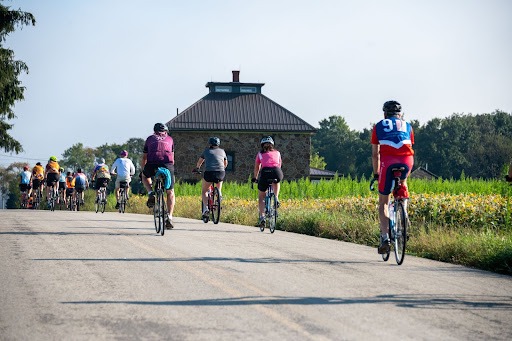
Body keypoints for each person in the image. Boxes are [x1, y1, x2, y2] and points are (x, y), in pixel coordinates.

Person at [371, 100, 415, 254]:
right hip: (407, 161)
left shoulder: (378, 126)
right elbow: (409, 145)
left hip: (388, 162)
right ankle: (404, 216)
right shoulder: (408, 125)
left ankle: (385, 238)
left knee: (383, 201)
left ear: (385, 114)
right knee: (403, 181)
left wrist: (376, 173)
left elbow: (375, 154)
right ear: (400, 114)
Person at [141, 122, 176, 229]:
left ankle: (151, 192)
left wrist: (143, 169)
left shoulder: (150, 138)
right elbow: (172, 158)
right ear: (165, 131)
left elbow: (144, 158)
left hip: (152, 164)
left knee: (144, 176)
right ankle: (169, 217)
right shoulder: (170, 139)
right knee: (170, 192)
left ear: (154, 131)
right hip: (167, 165)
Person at [193, 137, 228, 219]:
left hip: (209, 173)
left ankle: (205, 209)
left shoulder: (206, 151)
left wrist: (197, 168)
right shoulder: (222, 151)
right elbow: (225, 163)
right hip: (220, 172)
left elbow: (200, 161)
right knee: (219, 188)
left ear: (210, 144)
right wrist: (222, 168)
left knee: (204, 190)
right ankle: (219, 198)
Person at [252, 136, 283, 227]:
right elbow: (279, 164)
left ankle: (262, 217)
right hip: (277, 171)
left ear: (262, 145)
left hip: (265, 172)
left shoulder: (260, 154)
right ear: (272, 145)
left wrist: (255, 178)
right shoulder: (277, 153)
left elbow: (257, 167)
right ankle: (276, 197)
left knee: (261, 197)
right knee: (276, 182)